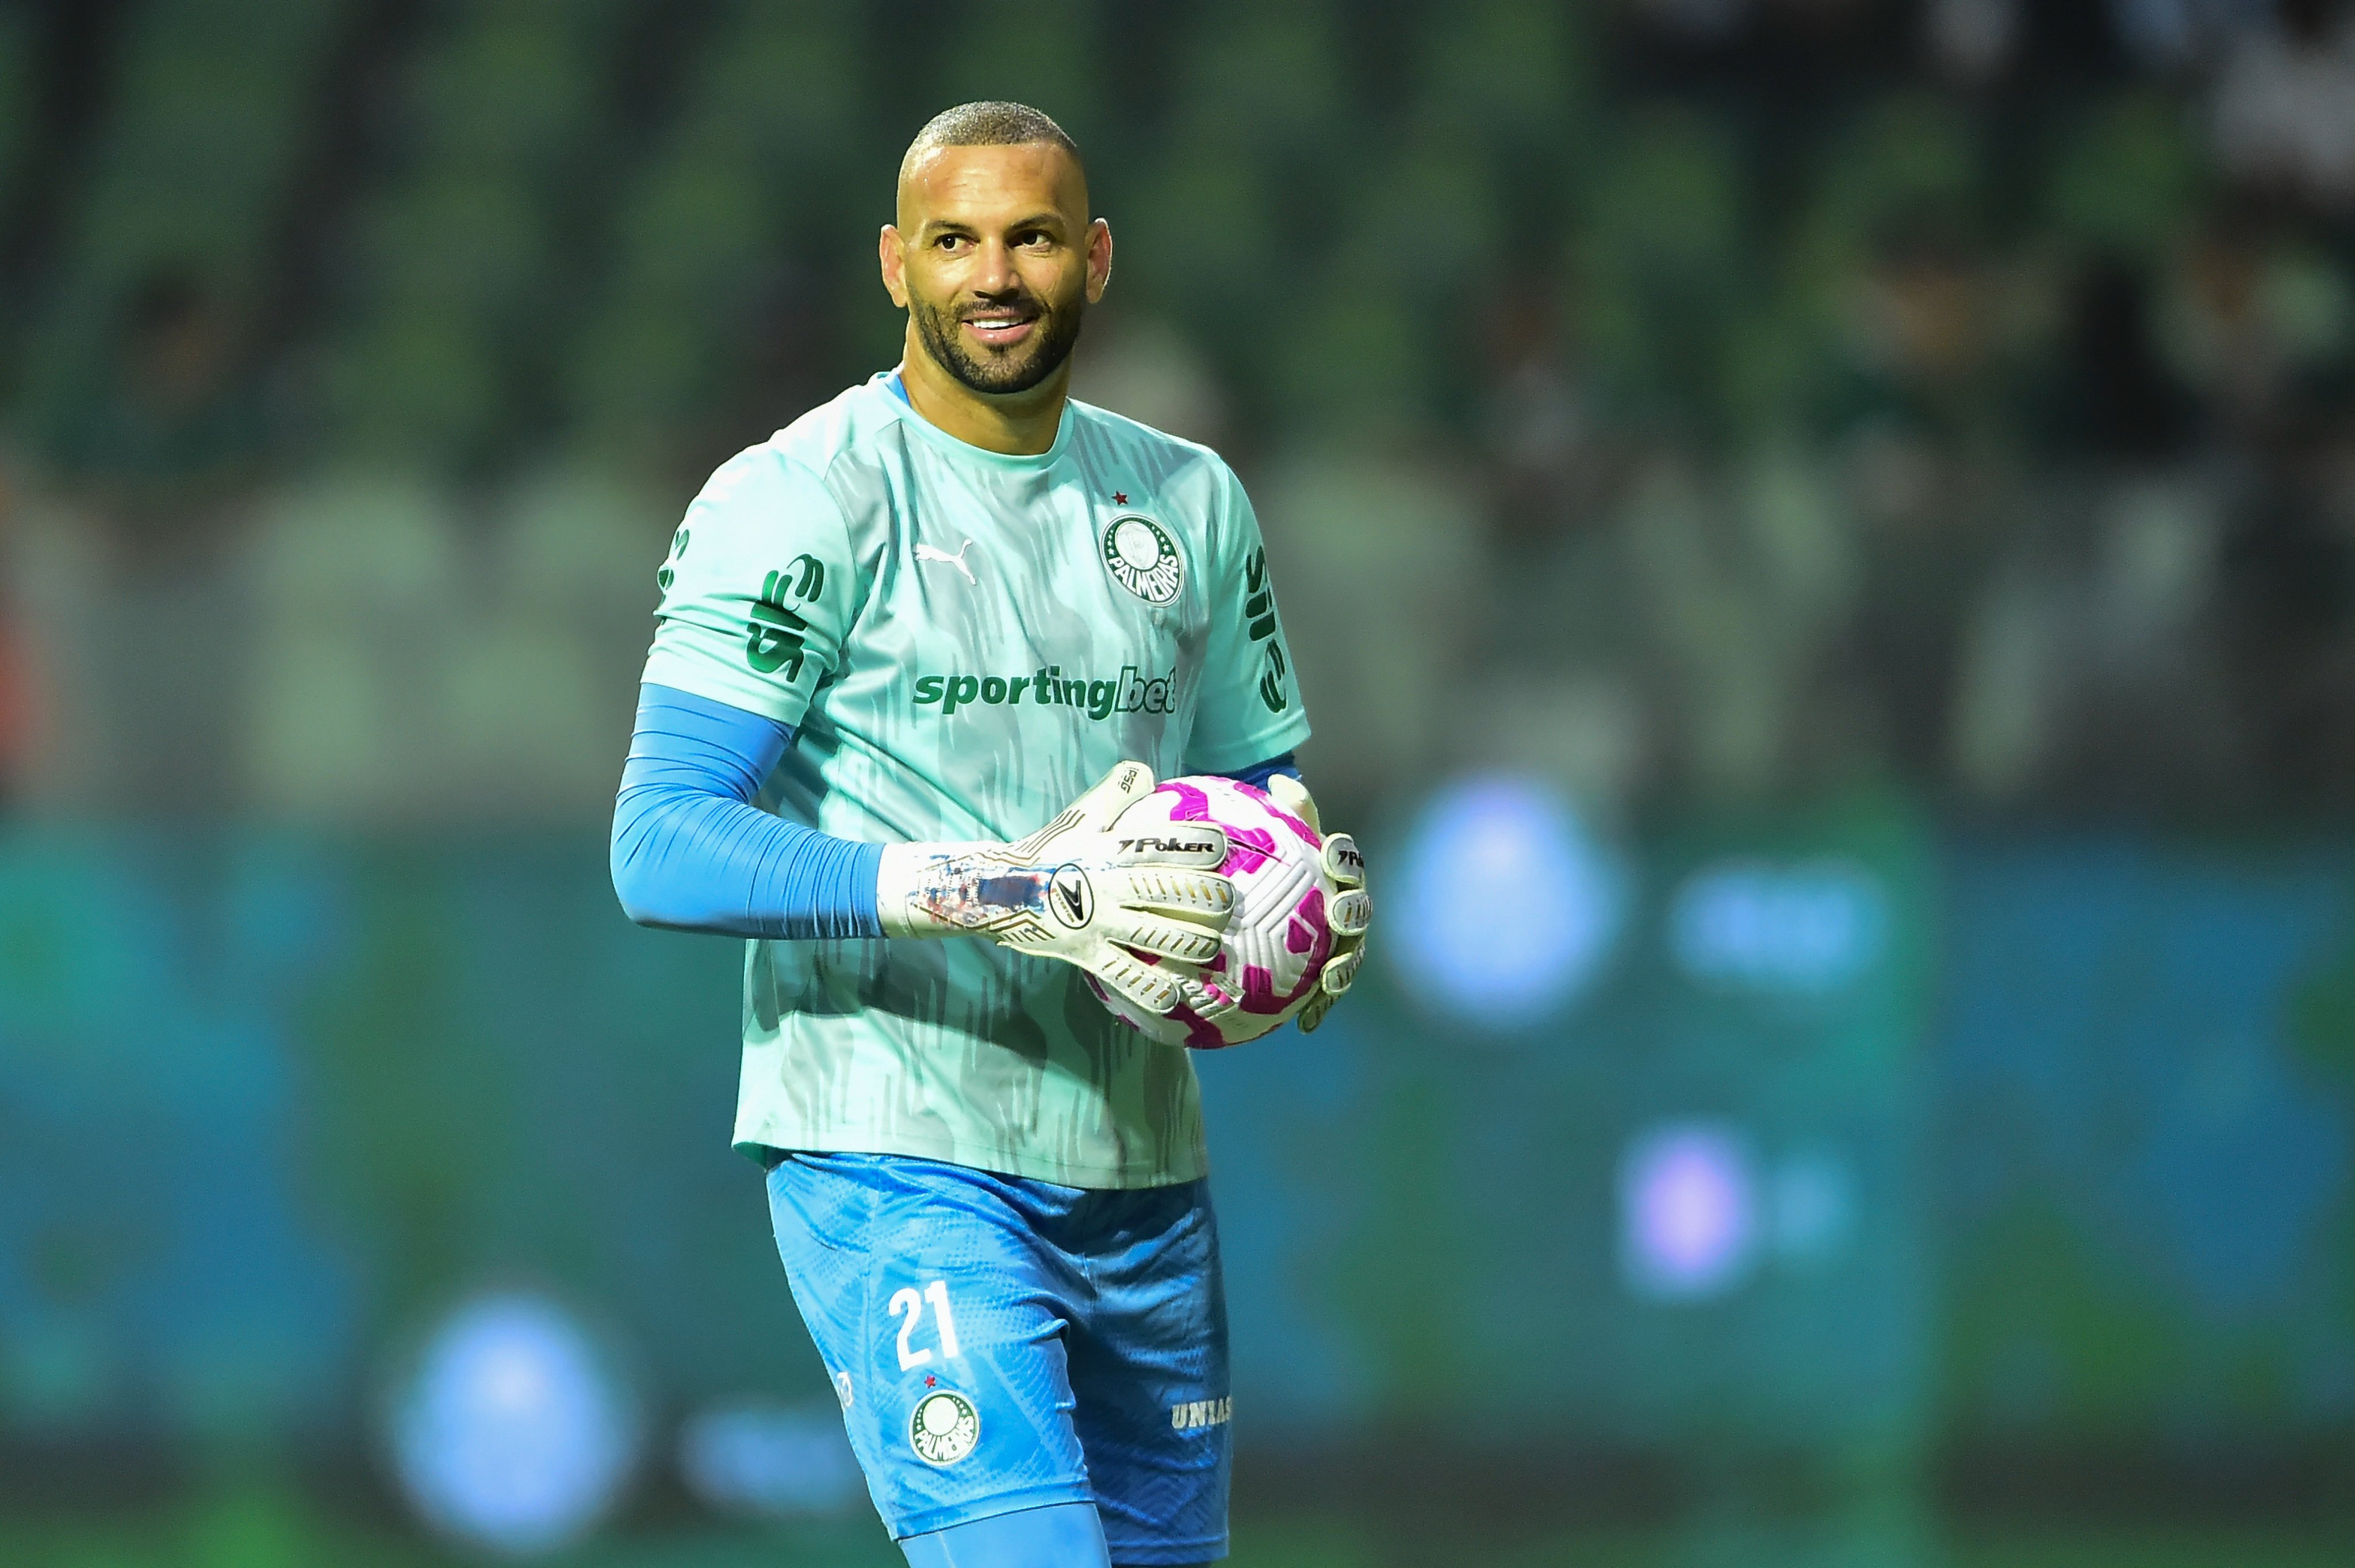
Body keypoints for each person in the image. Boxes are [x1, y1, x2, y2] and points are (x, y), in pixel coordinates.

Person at [608, 102, 1371, 1567]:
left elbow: (1261, 789)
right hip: (895, 1149)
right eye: (954, 241)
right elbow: (662, 842)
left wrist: (1298, 910)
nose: (994, 274)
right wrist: (1000, 885)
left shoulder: (1188, 499)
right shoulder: (798, 499)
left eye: (1029, 237)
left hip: (1142, 1164)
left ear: (1093, 259)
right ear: (895, 266)